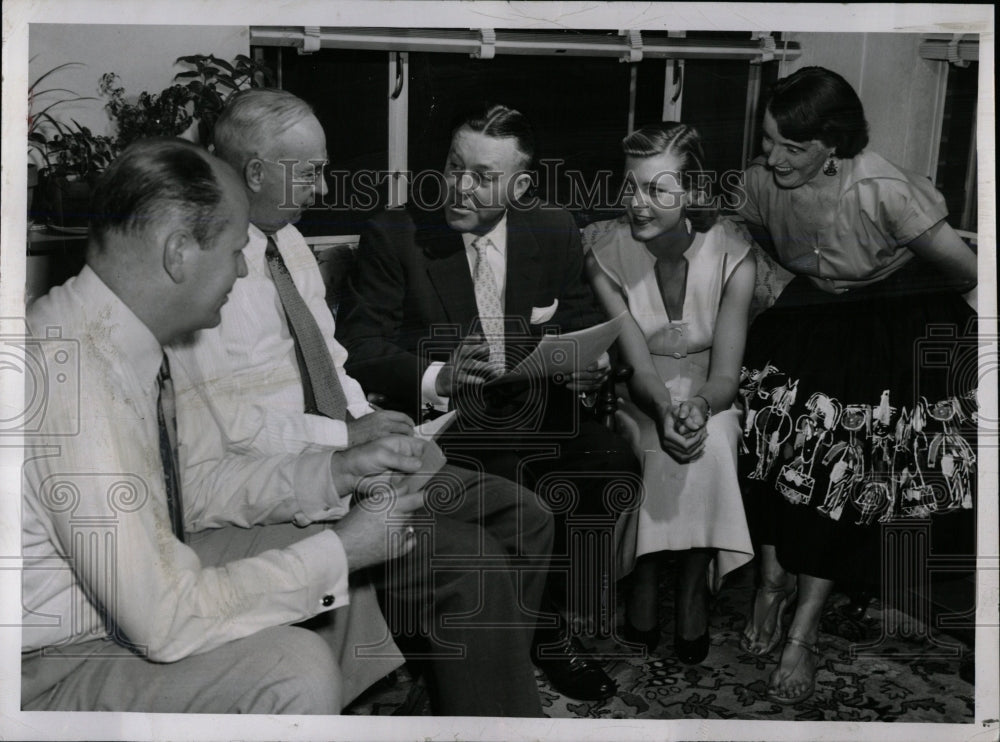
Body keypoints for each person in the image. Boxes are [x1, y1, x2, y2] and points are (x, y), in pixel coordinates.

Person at [167, 89, 553, 716]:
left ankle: (462, 683)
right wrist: (346, 439)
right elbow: (226, 432)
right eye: (311, 172)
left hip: (347, 452)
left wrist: (368, 421)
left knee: (527, 517)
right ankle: (491, 712)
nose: (322, 190)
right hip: (286, 484)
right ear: (256, 173)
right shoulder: (202, 274)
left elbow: (333, 363)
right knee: (469, 560)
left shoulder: (288, 245)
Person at [21, 138, 432, 714]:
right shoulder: (74, 385)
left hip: (111, 603)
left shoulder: (120, 337)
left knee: (315, 545)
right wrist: (342, 550)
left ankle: (347, 709)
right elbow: (163, 620)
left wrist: (334, 470)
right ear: (179, 253)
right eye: (237, 250)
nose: (243, 269)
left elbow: (195, 489)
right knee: (294, 667)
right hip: (42, 668)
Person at [336, 103, 643, 701]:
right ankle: (502, 650)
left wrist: (589, 363)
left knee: (611, 464)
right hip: (445, 419)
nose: (460, 187)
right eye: (455, 166)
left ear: (521, 185)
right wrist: (437, 377)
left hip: (532, 401)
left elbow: (578, 315)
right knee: (516, 490)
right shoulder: (396, 234)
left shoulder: (553, 228)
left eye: (483, 176)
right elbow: (358, 345)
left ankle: (548, 627)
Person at [736, 66, 978, 705]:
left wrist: (884, 301)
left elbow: (961, 271)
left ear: (834, 144)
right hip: (808, 316)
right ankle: (772, 579)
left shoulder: (888, 191)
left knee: (840, 475)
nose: (773, 157)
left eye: (794, 147)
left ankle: (804, 634)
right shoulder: (761, 181)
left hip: (884, 328)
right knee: (767, 446)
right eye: (769, 140)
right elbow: (765, 233)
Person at [584, 122, 755, 664]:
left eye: (657, 190)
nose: (637, 203)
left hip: (711, 387)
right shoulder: (605, 254)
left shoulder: (735, 256)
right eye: (631, 186)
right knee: (654, 441)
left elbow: (727, 375)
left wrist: (699, 408)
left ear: (694, 194)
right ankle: (646, 572)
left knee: (715, 441)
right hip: (636, 386)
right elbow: (636, 365)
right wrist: (664, 411)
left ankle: (690, 588)